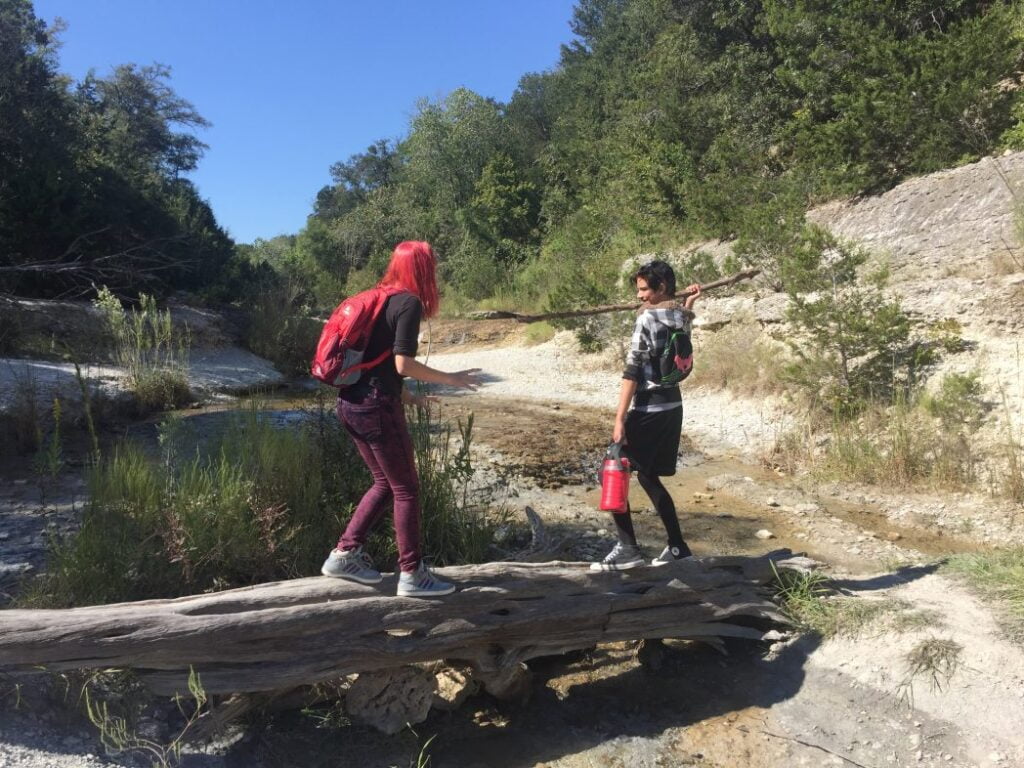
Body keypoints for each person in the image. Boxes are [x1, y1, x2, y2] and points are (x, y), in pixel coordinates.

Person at [321, 241, 482, 596]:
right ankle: (412, 574)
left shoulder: (377, 298)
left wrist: (409, 396)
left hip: (350, 403)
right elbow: (401, 364)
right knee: (406, 489)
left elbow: (374, 367)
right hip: (376, 409)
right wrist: (453, 378)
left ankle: (344, 553)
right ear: (424, 270)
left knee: (383, 483)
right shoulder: (407, 303)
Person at [592, 259, 700, 571]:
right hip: (673, 408)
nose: (639, 296)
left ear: (661, 287)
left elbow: (632, 371)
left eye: (643, 289)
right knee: (647, 475)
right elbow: (684, 331)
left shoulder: (647, 320)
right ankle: (678, 547)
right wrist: (690, 302)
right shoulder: (680, 314)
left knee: (609, 469)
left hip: (650, 407)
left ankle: (628, 549)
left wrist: (619, 418)